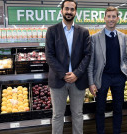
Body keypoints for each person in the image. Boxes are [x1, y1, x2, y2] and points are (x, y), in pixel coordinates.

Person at [45, 0, 91, 133]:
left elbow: (87, 55)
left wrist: (76, 73)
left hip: (78, 80)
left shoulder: (83, 32)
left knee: (77, 114)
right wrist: (64, 74)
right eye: (66, 9)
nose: (69, 12)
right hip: (58, 80)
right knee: (57, 115)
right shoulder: (52, 31)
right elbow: (49, 55)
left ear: (76, 12)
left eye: (72, 9)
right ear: (61, 11)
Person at [88, 6, 127, 134]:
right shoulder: (95, 38)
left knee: (118, 109)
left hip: (119, 78)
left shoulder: (122, 36)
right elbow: (91, 62)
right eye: (109, 17)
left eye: (114, 17)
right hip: (102, 77)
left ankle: (116, 131)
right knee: (100, 109)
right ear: (105, 18)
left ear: (117, 19)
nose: (111, 19)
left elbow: (124, 59)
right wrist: (91, 82)